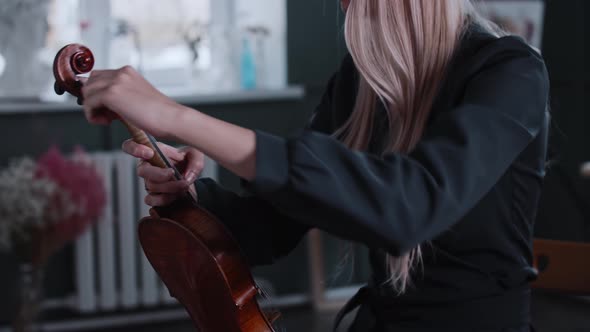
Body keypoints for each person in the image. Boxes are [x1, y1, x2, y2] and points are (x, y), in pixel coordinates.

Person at [81, 0, 549, 331]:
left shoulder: (510, 71)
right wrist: (193, 193)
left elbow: (408, 207)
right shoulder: (358, 82)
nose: (345, 7)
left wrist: (178, 117)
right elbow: (269, 229)